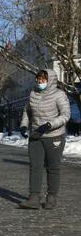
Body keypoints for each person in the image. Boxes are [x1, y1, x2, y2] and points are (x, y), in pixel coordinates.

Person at [17, 70, 70, 210]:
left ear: (51, 80)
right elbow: (27, 112)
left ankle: (51, 197)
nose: (40, 82)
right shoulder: (33, 93)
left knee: (53, 167)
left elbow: (65, 115)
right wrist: (23, 125)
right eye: (38, 79)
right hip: (36, 136)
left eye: (43, 79)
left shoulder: (60, 95)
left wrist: (48, 125)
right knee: (35, 166)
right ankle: (34, 198)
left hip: (54, 136)